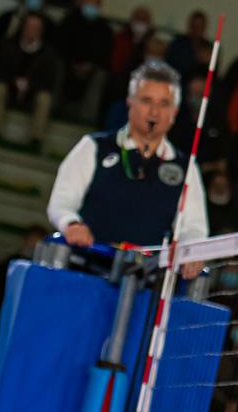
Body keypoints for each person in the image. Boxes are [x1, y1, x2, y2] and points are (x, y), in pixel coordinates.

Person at [47, 60, 207, 275]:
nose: (155, 112)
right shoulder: (93, 146)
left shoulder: (185, 167)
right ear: (130, 102)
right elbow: (61, 202)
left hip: (145, 281)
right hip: (84, 270)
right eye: (146, 100)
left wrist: (191, 252)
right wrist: (72, 224)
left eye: (164, 104)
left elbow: (194, 228)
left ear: (175, 112)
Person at [0, 12, 61, 146]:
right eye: (29, 27)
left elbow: (49, 80)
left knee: (44, 98)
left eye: (35, 28)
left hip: (33, 93)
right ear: (23, 27)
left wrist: (30, 85)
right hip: (10, 88)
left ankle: (36, 139)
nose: (31, 31)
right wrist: (14, 81)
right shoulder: (8, 45)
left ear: (41, 31)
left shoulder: (48, 54)